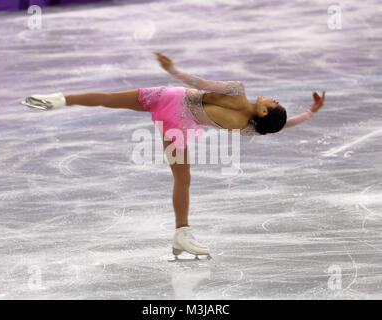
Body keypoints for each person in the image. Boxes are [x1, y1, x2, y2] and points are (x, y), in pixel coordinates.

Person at [21, 52, 326, 259]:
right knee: (182, 179)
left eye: (273, 101)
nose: (272, 97)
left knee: (110, 100)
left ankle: (58, 100)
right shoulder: (249, 127)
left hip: (169, 100)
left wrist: (172, 70)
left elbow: (200, 84)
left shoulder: (237, 91)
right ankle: (181, 232)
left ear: (263, 110)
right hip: (178, 124)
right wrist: (310, 112)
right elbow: (279, 128)